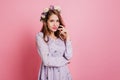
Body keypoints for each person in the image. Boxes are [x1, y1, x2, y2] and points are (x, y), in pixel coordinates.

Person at [36, 5, 73, 80]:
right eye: (51, 21)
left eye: (57, 21)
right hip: (49, 74)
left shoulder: (61, 36)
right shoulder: (41, 37)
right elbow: (47, 61)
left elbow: (68, 56)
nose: (55, 24)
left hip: (63, 73)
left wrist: (67, 38)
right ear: (46, 22)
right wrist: (64, 61)